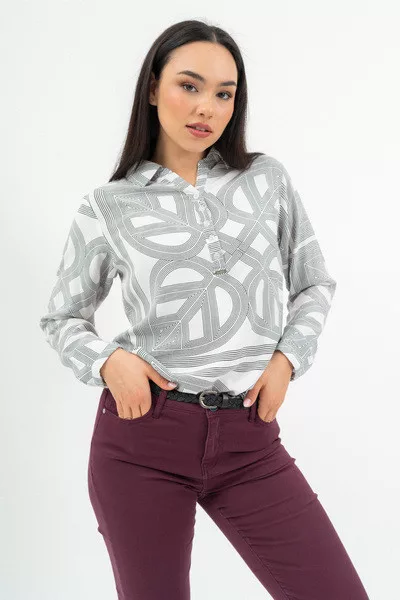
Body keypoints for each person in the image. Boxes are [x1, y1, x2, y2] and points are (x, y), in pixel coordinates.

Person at [39, 18, 370, 600]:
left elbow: (314, 282)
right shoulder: (109, 206)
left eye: (224, 94)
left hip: (250, 440)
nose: (206, 108)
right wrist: (108, 361)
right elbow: (62, 317)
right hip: (144, 441)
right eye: (189, 86)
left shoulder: (265, 179)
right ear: (152, 88)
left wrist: (287, 360)